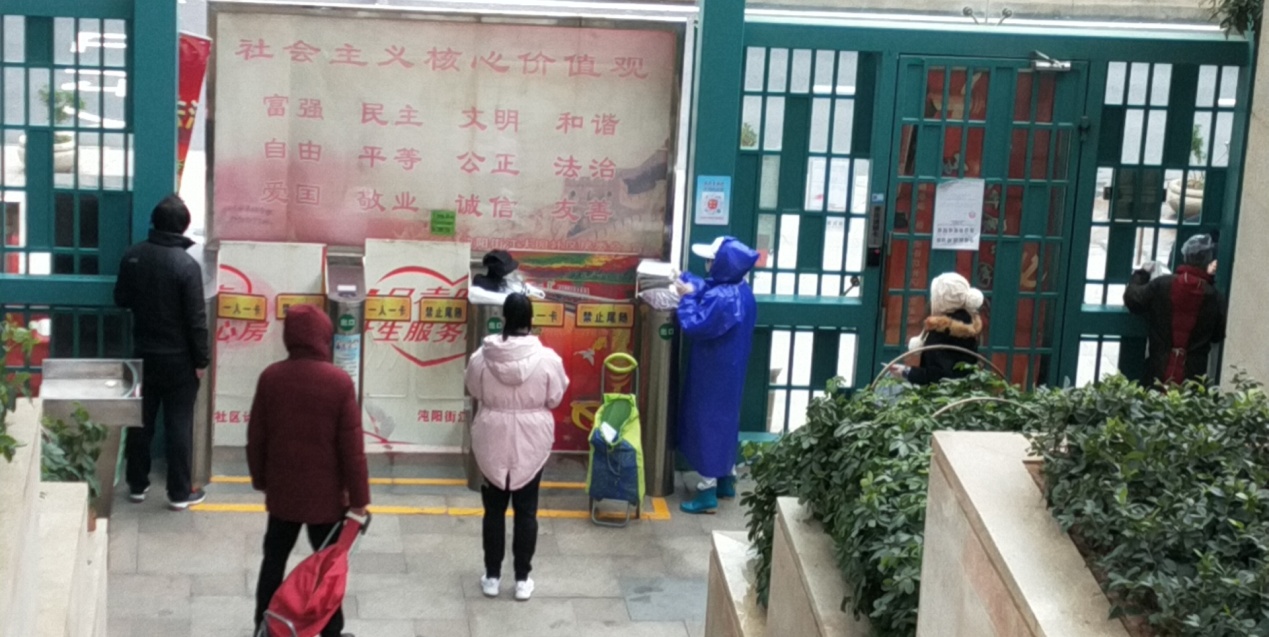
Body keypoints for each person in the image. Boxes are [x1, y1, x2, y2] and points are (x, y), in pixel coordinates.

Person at [248, 305, 369, 637]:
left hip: (283, 494)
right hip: (326, 500)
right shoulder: (338, 382)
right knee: (327, 568)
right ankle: (331, 630)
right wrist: (359, 500)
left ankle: (264, 625)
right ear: (323, 338)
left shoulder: (271, 378)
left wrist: (261, 480)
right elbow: (352, 450)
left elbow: (256, 437)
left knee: (274, 560)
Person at [465, 293, 569, 602]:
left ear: (504, 318)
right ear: (531, 320)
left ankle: (492, 577)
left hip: (492, 436)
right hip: (532, 439)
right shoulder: (548, 359)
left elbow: (473, 388)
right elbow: (555, 397)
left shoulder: (482, 356)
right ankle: (522, 579)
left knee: (493, 510)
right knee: (526, 510)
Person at [113, 193, 210, 510]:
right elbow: (196, 320)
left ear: (154, 222)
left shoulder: (133, 255)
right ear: (184, 227)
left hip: (142, 353)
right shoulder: (186, 265)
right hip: (179, 359)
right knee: (179, 423)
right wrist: (201, 360)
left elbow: (121, 298)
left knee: (140, 420)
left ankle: (136, 484)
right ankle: (179, 493)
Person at [674, 236, 759, 514]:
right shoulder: (742, 291)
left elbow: (694, 324)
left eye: (711, 260)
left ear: (722, 264)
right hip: (731, 371)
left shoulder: (722, 298)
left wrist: (686, 297)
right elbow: (709, 288)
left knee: (706, 423)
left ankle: (707, 491)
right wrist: (688, 280)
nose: (708, 264)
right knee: (725, 422)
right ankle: (726, 481)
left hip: (711, 371)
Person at [1124, 234, 1226, 386]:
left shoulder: (1162, 285)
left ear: (1184, 256)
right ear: (1208, 259)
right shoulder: (1214, 297)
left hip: (1158, 369)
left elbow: (1133, 299)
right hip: (1193, 376)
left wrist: (1141, 274)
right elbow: (1218, 335)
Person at [889, 272, 985, 385]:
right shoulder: (968, 325)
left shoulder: (941, 332)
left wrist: (907, 372)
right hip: (964, 391)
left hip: (944, 394)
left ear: (941, 300)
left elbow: (938, 376)